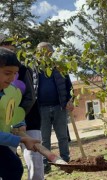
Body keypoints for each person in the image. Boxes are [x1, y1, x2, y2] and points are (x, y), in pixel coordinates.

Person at [0, 34, 45, 180]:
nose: (12, 78)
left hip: (5, 135)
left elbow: (11, 110)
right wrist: (21, 140)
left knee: (13, 166)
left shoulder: (6, 92)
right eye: (7, 73)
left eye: (14, 74)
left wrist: (19, 122)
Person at [36, 42, 74, 174]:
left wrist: (70, 100)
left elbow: (69, 86)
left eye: (46, 51)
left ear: (51, 53)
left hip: (60, 107)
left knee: (62, 137)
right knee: (44, 139)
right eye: (41, 52)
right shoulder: (35, 69)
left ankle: (65, 162)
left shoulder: (60, 67)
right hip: (41, 108)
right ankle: (45, 165)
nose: (44, 54)